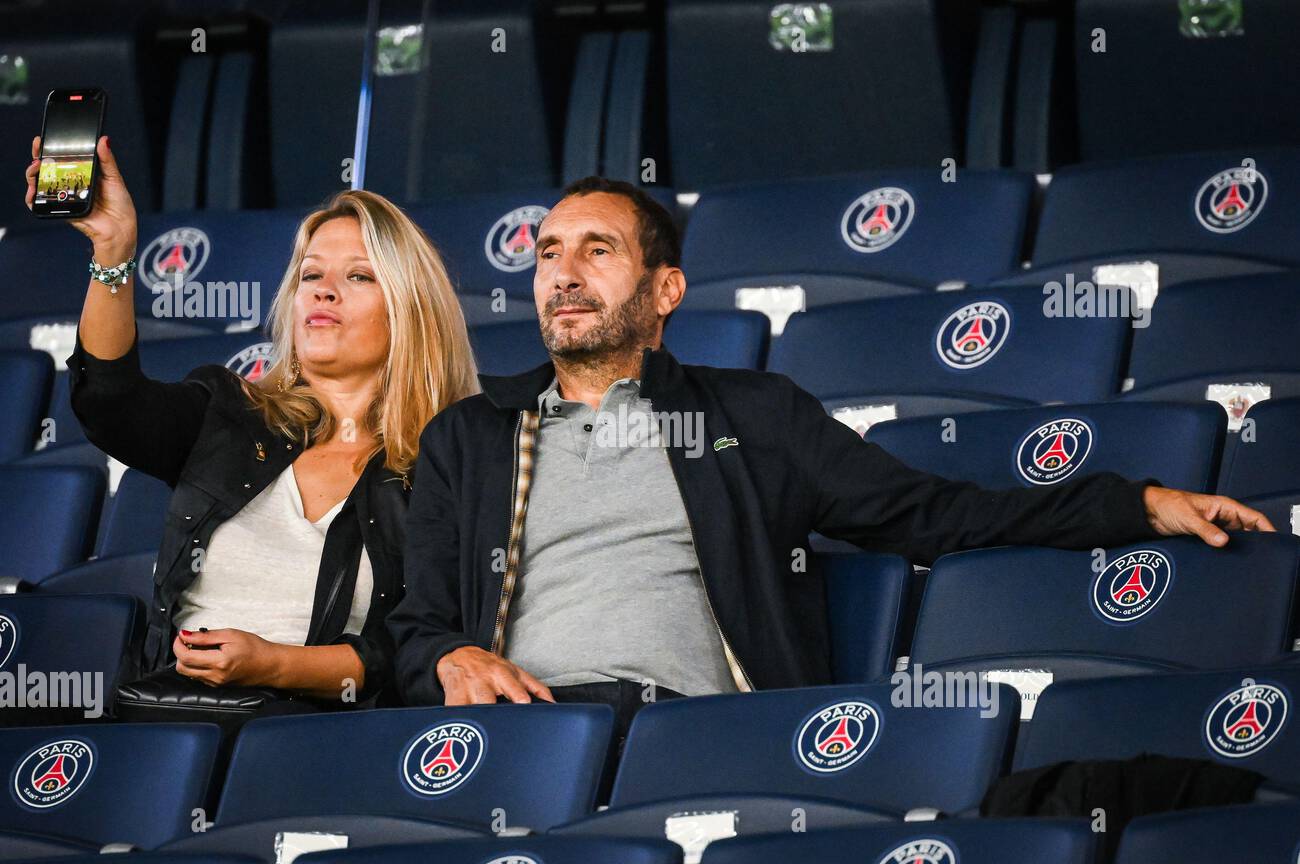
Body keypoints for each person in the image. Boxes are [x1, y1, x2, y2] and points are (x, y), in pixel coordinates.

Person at [388, 176, 1275, 737]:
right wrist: (446, 662)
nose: (563, 272)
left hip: (692, 735)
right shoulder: (471, 436)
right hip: (524, 735)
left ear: (667, 291)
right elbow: (415, 627)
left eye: (597, 250)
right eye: (548, 253)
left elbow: (939, 513)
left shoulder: (752, 414)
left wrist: (1136, 504)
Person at [24, 134, 479, 704]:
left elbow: (416, 653)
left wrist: (273, 664)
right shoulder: (229, 414)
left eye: (359, 277)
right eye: (312, 275)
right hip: (178, 717)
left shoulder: (449, 463)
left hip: (323, 739)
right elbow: (110, 403)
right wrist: (114, 251)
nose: (326, 292)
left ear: (411, 309)